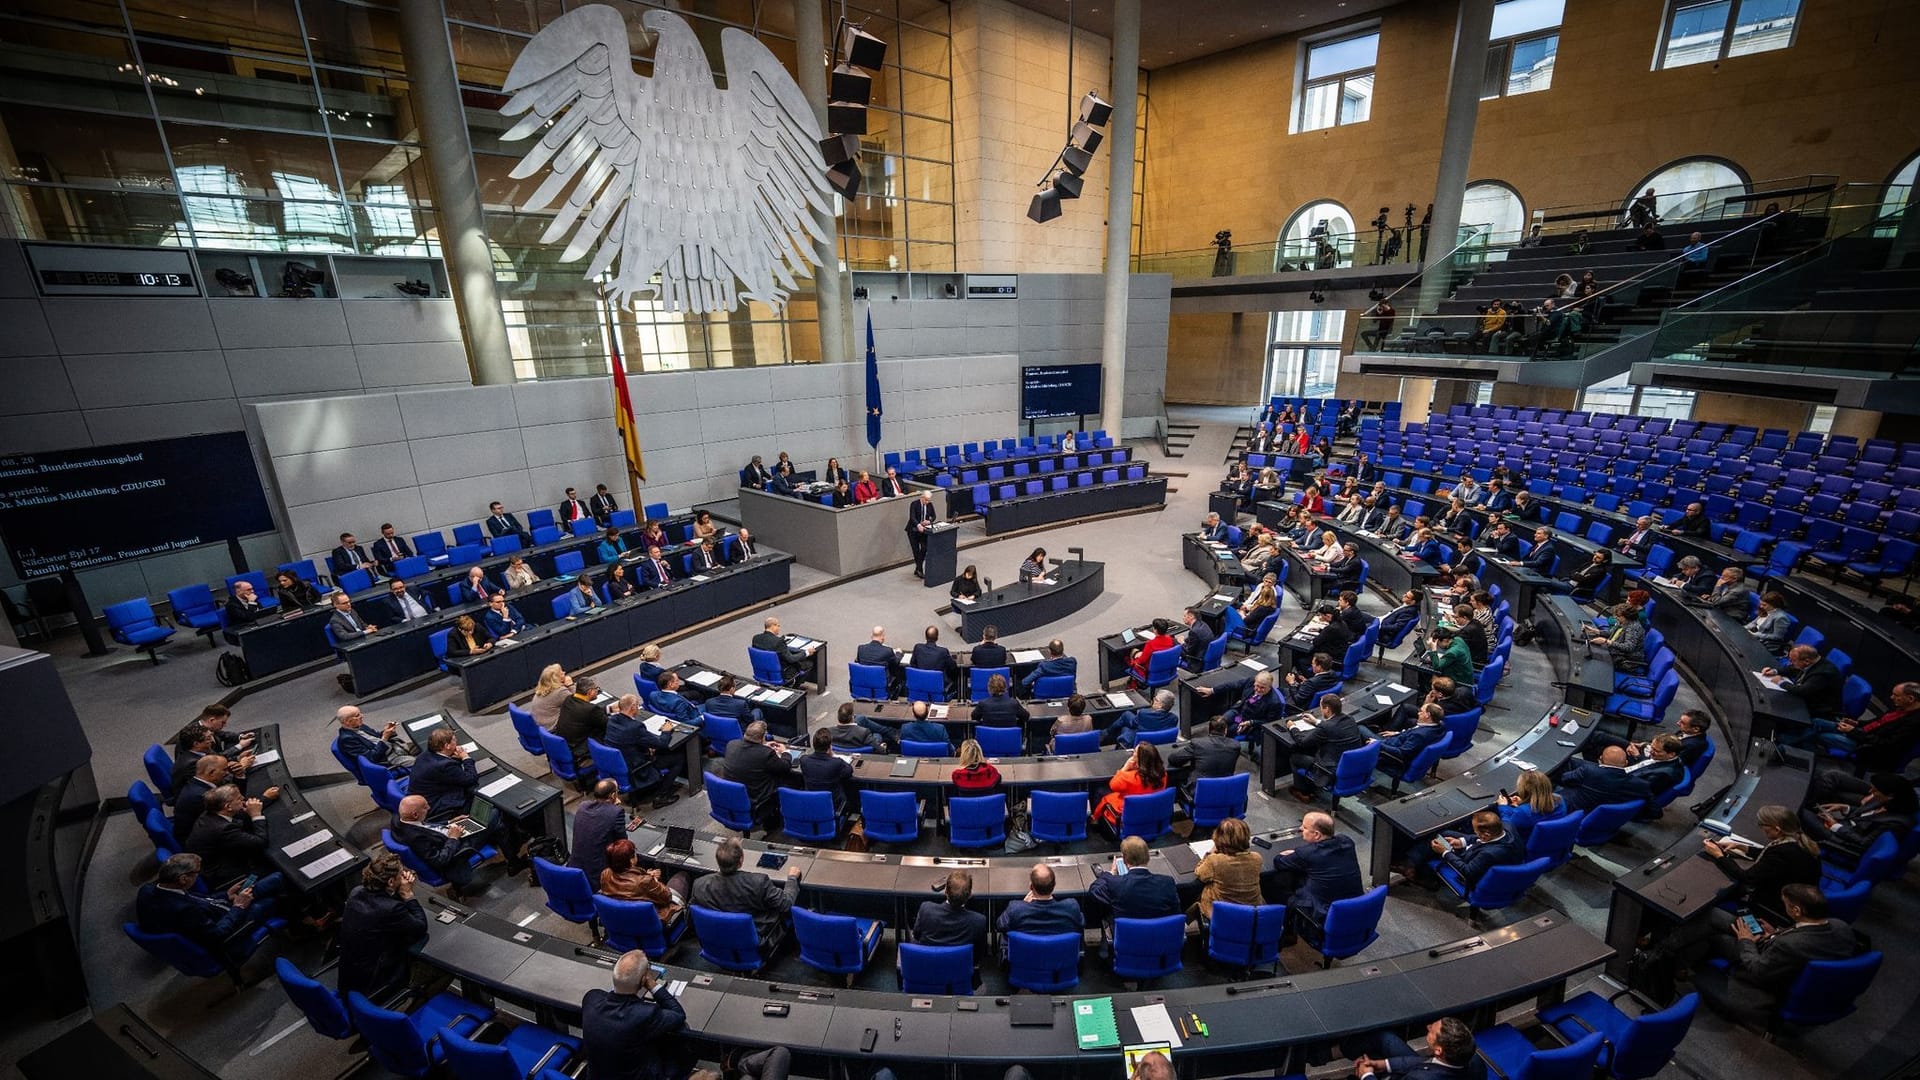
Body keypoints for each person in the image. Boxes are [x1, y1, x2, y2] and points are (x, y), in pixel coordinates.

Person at [1687, 884, 1867, 1027]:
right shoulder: (1840, 926)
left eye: (1786, 904)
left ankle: (1675, 958)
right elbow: (1805, 936)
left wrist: (1746, 940)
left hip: (1764, 972)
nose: (1784, 907)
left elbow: (1757, 969)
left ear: (1796, 911)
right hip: (1785, 957)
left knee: (1714, 934)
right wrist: (1775, 933)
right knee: (1719, 919)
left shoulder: (1789, 945)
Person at [135, 852, 271, 963]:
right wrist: (239, 906)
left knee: (273, 880)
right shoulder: (185, 910)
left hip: (217, 910)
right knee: (271, 899)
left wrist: (225, 895)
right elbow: (217, 934)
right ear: (183, 879)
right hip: (231, 927)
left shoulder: (148, 890)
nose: (198, 875)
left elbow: (199, 899)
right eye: (196, 873)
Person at [581, 948, 692, 1080]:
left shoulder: (591, 999)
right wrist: (652, 985)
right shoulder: (644, 1014)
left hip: (597, 1076)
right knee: (681, 1030)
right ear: (643, 980)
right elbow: (678, 1013)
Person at [1270, 811, 1364, 942]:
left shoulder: (1307, 854)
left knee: (1274, 885)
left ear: (1317, 835)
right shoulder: (1347, 842)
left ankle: (1287, 933)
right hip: (1355, 909)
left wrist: (1287, 854)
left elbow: (1279, 862)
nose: (1300, 829)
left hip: (1323, 914)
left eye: (1305, 827)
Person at [690, 836, 800, 945]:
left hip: (719, 937)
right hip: (755, 938)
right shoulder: (759, 882)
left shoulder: (699, 884)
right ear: (741, 860)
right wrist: (792, 879)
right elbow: (786, 904)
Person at [1787, 680, 1919, 765]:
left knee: (1818, 735)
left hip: (1868, 747)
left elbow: (1887, 745)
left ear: (1910, 698)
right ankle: (1796, 748)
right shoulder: (1900, 708)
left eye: (1896, 695)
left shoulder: (1913, 723)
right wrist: (1856, 724)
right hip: (1859, 733)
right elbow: (1877, 723)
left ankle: (1799, 757)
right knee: (1817, 722)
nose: (1891, 698)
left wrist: (1853, 732)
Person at [1799, 773, 1917, 860]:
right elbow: (1866, 816)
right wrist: (1845, 808)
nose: (1871, 792)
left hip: (1843, 841)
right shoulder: (1887, 800)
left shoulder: (1896, 824)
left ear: (1890, 795)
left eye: (1875, 791)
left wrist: (1836, 826)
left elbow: (1864, 843)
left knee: (1800, 811)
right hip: (1846, 825)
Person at [184, 784, 275, 888]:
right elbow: (260, 842)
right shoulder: (223, 829)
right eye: (239, 799)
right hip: (226, 874)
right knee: (273, 865)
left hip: (213, 861)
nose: (244, 799)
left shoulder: (210, 812)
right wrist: (256, 815)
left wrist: (264, 799)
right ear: (228, 807)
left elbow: (240, 815)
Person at [392, 793, 481, 897]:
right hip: (455, 850)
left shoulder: (399, 819)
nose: (429, 808)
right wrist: (453, 838)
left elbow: (427, 826)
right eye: (425, 807)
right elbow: (439, 860)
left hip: (447, 834)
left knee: (495, 824)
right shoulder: (416, 838)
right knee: (493, 816)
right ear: (415, 815)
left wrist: (449, 822)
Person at [1284, 694, 1370, 801]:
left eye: (1321, 707)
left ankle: (1303, 791)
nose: (1320, 710)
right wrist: (1316, 721)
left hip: (1330, 769)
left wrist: (1292, 727)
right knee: (1314, 749)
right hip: (1350, 764)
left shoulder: (1325, 728)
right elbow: (1333, 727)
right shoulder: (1349, 719)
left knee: (1295, 757)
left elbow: (1302, 742)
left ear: (1327, 709)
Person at [604, 693, 685, 807]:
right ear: (632, 707)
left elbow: (627, 741)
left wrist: (646, 747)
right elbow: (662, 743)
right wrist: (666, 731)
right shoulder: (635, 726)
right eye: (637, 705)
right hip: (636, 767)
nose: (639, 708)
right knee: (678, 758)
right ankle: (661, 796)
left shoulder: (612, 720)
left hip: (619, 763)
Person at [1346, 1016, 1479, 1080]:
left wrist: (1367, 1075)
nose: (1428, 1026)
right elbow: (1427, 1062)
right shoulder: (1471, 1059)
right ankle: (1340, 1050)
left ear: (1439, 1050)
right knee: (1386, 1039)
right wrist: (1384, 1064)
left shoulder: (1420, 1078)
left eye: (1432, 1031)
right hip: (1427, 1070)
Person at [722, 722, 795, 834]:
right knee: (790, 780)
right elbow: (785, 767)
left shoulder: (731, 744)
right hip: (757, 801)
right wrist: (785, 752)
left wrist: (763, 746)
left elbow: (749, 755)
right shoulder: (765, 754)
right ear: (763, 736)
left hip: (734, 796)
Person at [1090, 836, 1181, 921]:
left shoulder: (1116, 885)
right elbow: (1176, 913)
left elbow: (1095, 890)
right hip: (1163, 936)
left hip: (1128, 936)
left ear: (1125, 860)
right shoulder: (1168, 883)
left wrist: (1110, 873)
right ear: (1148, 857)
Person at [995, 864, 1084, 951]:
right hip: (1062, 961)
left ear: (1031, 886)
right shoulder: (1071, 907)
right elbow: (1081, 923)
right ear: (1054, 885)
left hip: (1025, 960)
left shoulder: (1016, 909)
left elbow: (999, 925)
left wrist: (1023, 903)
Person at [1190, 817, 1263, 922]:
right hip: (1251, 913)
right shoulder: (1257, 858)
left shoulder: (1215, 860)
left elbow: (1199, 873)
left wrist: (1211, 852)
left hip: (1221, 914)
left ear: (1219, 837)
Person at [600, 840, 689, 926]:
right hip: (650, 923)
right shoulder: (644, 882)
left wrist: (645, 875)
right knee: (682, 877)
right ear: (631, 860)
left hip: (620, 920)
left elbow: (630, 881)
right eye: (635, 853)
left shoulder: (605, 874)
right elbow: (667, 897)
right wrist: (654, 880)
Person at [1093, 742, 1168, 832]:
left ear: (1140, 759)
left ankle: (1095, 821)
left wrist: (1125, 767)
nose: (1132, 753)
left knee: (1101, 791)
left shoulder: (1129, 778)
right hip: (1151, 812)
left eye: (1134, 752)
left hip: (1128, 815)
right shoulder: (1163, 774)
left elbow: (1113, 785)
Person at [913, 870, 989, 957]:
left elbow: (916, 935)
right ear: (969, 895)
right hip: (960, 968)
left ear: (945, 891)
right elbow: (978, 953)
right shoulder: (979, 921)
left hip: (927, 965)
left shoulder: (926, 909)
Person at [1557, 745, 1654, 812]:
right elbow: (1652, 806)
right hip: (1603, 813)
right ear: (1626, 763)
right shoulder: (1640, 784)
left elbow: (1565, 779)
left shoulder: (1588, 771)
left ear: (1600, 760)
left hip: (1575, 807)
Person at [408, 728, 477, 820]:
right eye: (454, 740)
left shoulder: (425, 754)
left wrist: (454, 758)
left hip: (423, 796)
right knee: (473, 789)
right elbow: (470, 779)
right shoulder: (444, 765)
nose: (457, 742)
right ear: (447, 746)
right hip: (435, 805)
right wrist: (466, 758)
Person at [569, 780, 630, 883]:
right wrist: (614, 807)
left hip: (575, 866)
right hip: (598, 873)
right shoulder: (616, 812)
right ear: (613, 795)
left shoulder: (582, 806)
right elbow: (622, 842)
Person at [1761, 644, 1844, 718]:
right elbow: (1793, 668)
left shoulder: (1822, 674)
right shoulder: (1813, 661)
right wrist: (1775, 671)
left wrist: (1781, 682)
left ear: (1807, 661)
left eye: (1793, 661)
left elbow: (1801, 691)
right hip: (1807, 698)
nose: (1790, 663)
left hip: (1817, 709)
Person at [1167, 716, 1242, 796]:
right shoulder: (1236, 745)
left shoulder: (1198, 743)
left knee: (1175, 775)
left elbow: (1173, 759)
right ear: (1226, 730)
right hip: (1225, 790)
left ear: (1209, 730)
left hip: (1200, 792)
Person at [1375, 702, 1449, 780]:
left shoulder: (1419, 735)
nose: (1418, 713)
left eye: (1421, 711)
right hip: (1397, 740)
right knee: (1409, 721)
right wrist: (1397, 733)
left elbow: (1401, 753)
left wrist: (1378, 744)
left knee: (1361, 728)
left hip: (1391, 753)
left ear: (1427, 715)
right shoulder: (1440, 725)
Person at [552, 675, 609, 772]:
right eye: (596, 689)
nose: (597, 691)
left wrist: (609, 709)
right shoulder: (590, 709)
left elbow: (589, 715)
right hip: (580, 752)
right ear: (590, 692)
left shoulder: (569, 699)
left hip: (566, 745)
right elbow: (608, 725)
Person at [797, 728, 854, 818]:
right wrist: (833, 755)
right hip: (834, 806)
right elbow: (849, 771)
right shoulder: (836, 763)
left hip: (810, 803)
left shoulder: (804, 760)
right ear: (830, 747)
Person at [336, 705, 414, 767]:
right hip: (387, 758)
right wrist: (385, 738)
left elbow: (376, 737)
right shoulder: (347, 740)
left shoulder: (359, 725)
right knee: (419, 762)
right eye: (357, 715)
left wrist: (387, 731)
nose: (362, 716)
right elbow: (371, 758)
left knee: (420, 744)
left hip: (394, 747)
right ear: (347, 721)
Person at [1497, 769, 1566, 840]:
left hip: (1529, 843)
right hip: (1554, 839)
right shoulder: (1559, 799)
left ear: (1524, 790)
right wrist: (1523, 802)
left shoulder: (1523, 812)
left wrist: (1503, 806)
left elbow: (1508, 828)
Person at [1106, 688, 1178, 749]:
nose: (1153, 700)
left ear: (1160, 705)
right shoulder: (1174, 718)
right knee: (1127, 717)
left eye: (1155, 699)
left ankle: (1107, 733)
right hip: (1160, 746)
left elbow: (1133, 724)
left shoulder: (1144, 714)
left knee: (1125, 722)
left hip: (1142, 745)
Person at [908, 624, 959, 698]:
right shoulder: (943, 652)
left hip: (920, 684)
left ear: (925, 637)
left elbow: (912, 664)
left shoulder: (917, 647)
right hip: (937, 686)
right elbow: (953, 667)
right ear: (937, 637)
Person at [1128, 618, 1179, 683]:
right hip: (1167, 669)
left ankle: (1133, 682)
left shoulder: (1150, 644)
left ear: (1155, 630)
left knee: (1130, 656)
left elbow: (1141, 661)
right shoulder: (1171, 640)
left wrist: (1136, 657)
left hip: (1150, 672)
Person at [529, 664, 573, 730]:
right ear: (556, 679)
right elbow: (578, 702)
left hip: (541, 730)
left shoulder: (540, 691)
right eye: (561, 673)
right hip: (553, 730)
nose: (564, 672)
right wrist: (570, 685)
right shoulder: (560, 692)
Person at [906, 492, 938, 577]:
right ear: (922, 498)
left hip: (924, 530)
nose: (927, 502)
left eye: (928, 500)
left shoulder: (930, 504)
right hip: (913, 530)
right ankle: (919, 569)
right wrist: (918, 525)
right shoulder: (914, 504)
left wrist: (929, 521)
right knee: (916, 550)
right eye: (926, 500)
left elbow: (934, 516)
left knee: (924, 548)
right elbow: (912, 517)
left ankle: (917, 568)